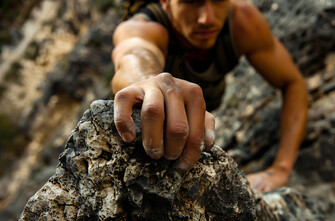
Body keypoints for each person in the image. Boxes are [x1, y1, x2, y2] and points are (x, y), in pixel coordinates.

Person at [111, 0, 308, 192]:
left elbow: (292, 83)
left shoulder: (243, 21)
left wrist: (280, 170)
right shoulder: (144, 27)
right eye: (191, 2)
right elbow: (133, 54)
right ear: (165, 2)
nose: (207, 18)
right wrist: (149, 81)